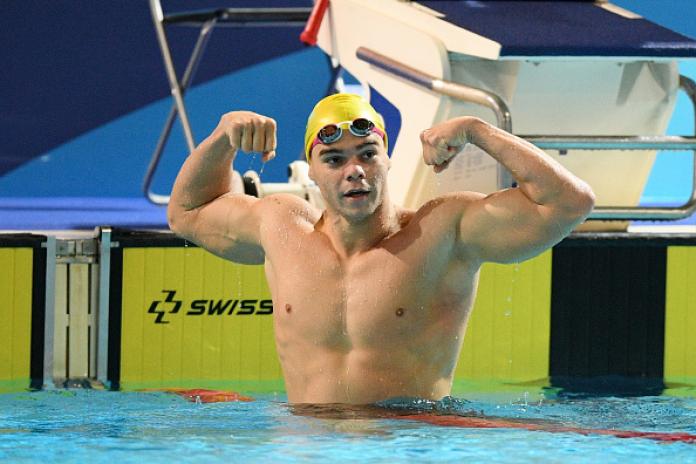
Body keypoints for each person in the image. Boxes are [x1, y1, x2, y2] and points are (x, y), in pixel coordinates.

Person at [168, 93, 595, 405]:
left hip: (406, 444)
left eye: (367, 154)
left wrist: (477, 131)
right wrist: (222, 137)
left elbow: (570, 203)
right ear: (312, 171)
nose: (354, 171)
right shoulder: (282, 228)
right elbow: (186, 212)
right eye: (334, 159)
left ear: (387, 159)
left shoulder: (442, 230)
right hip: (306, 445)